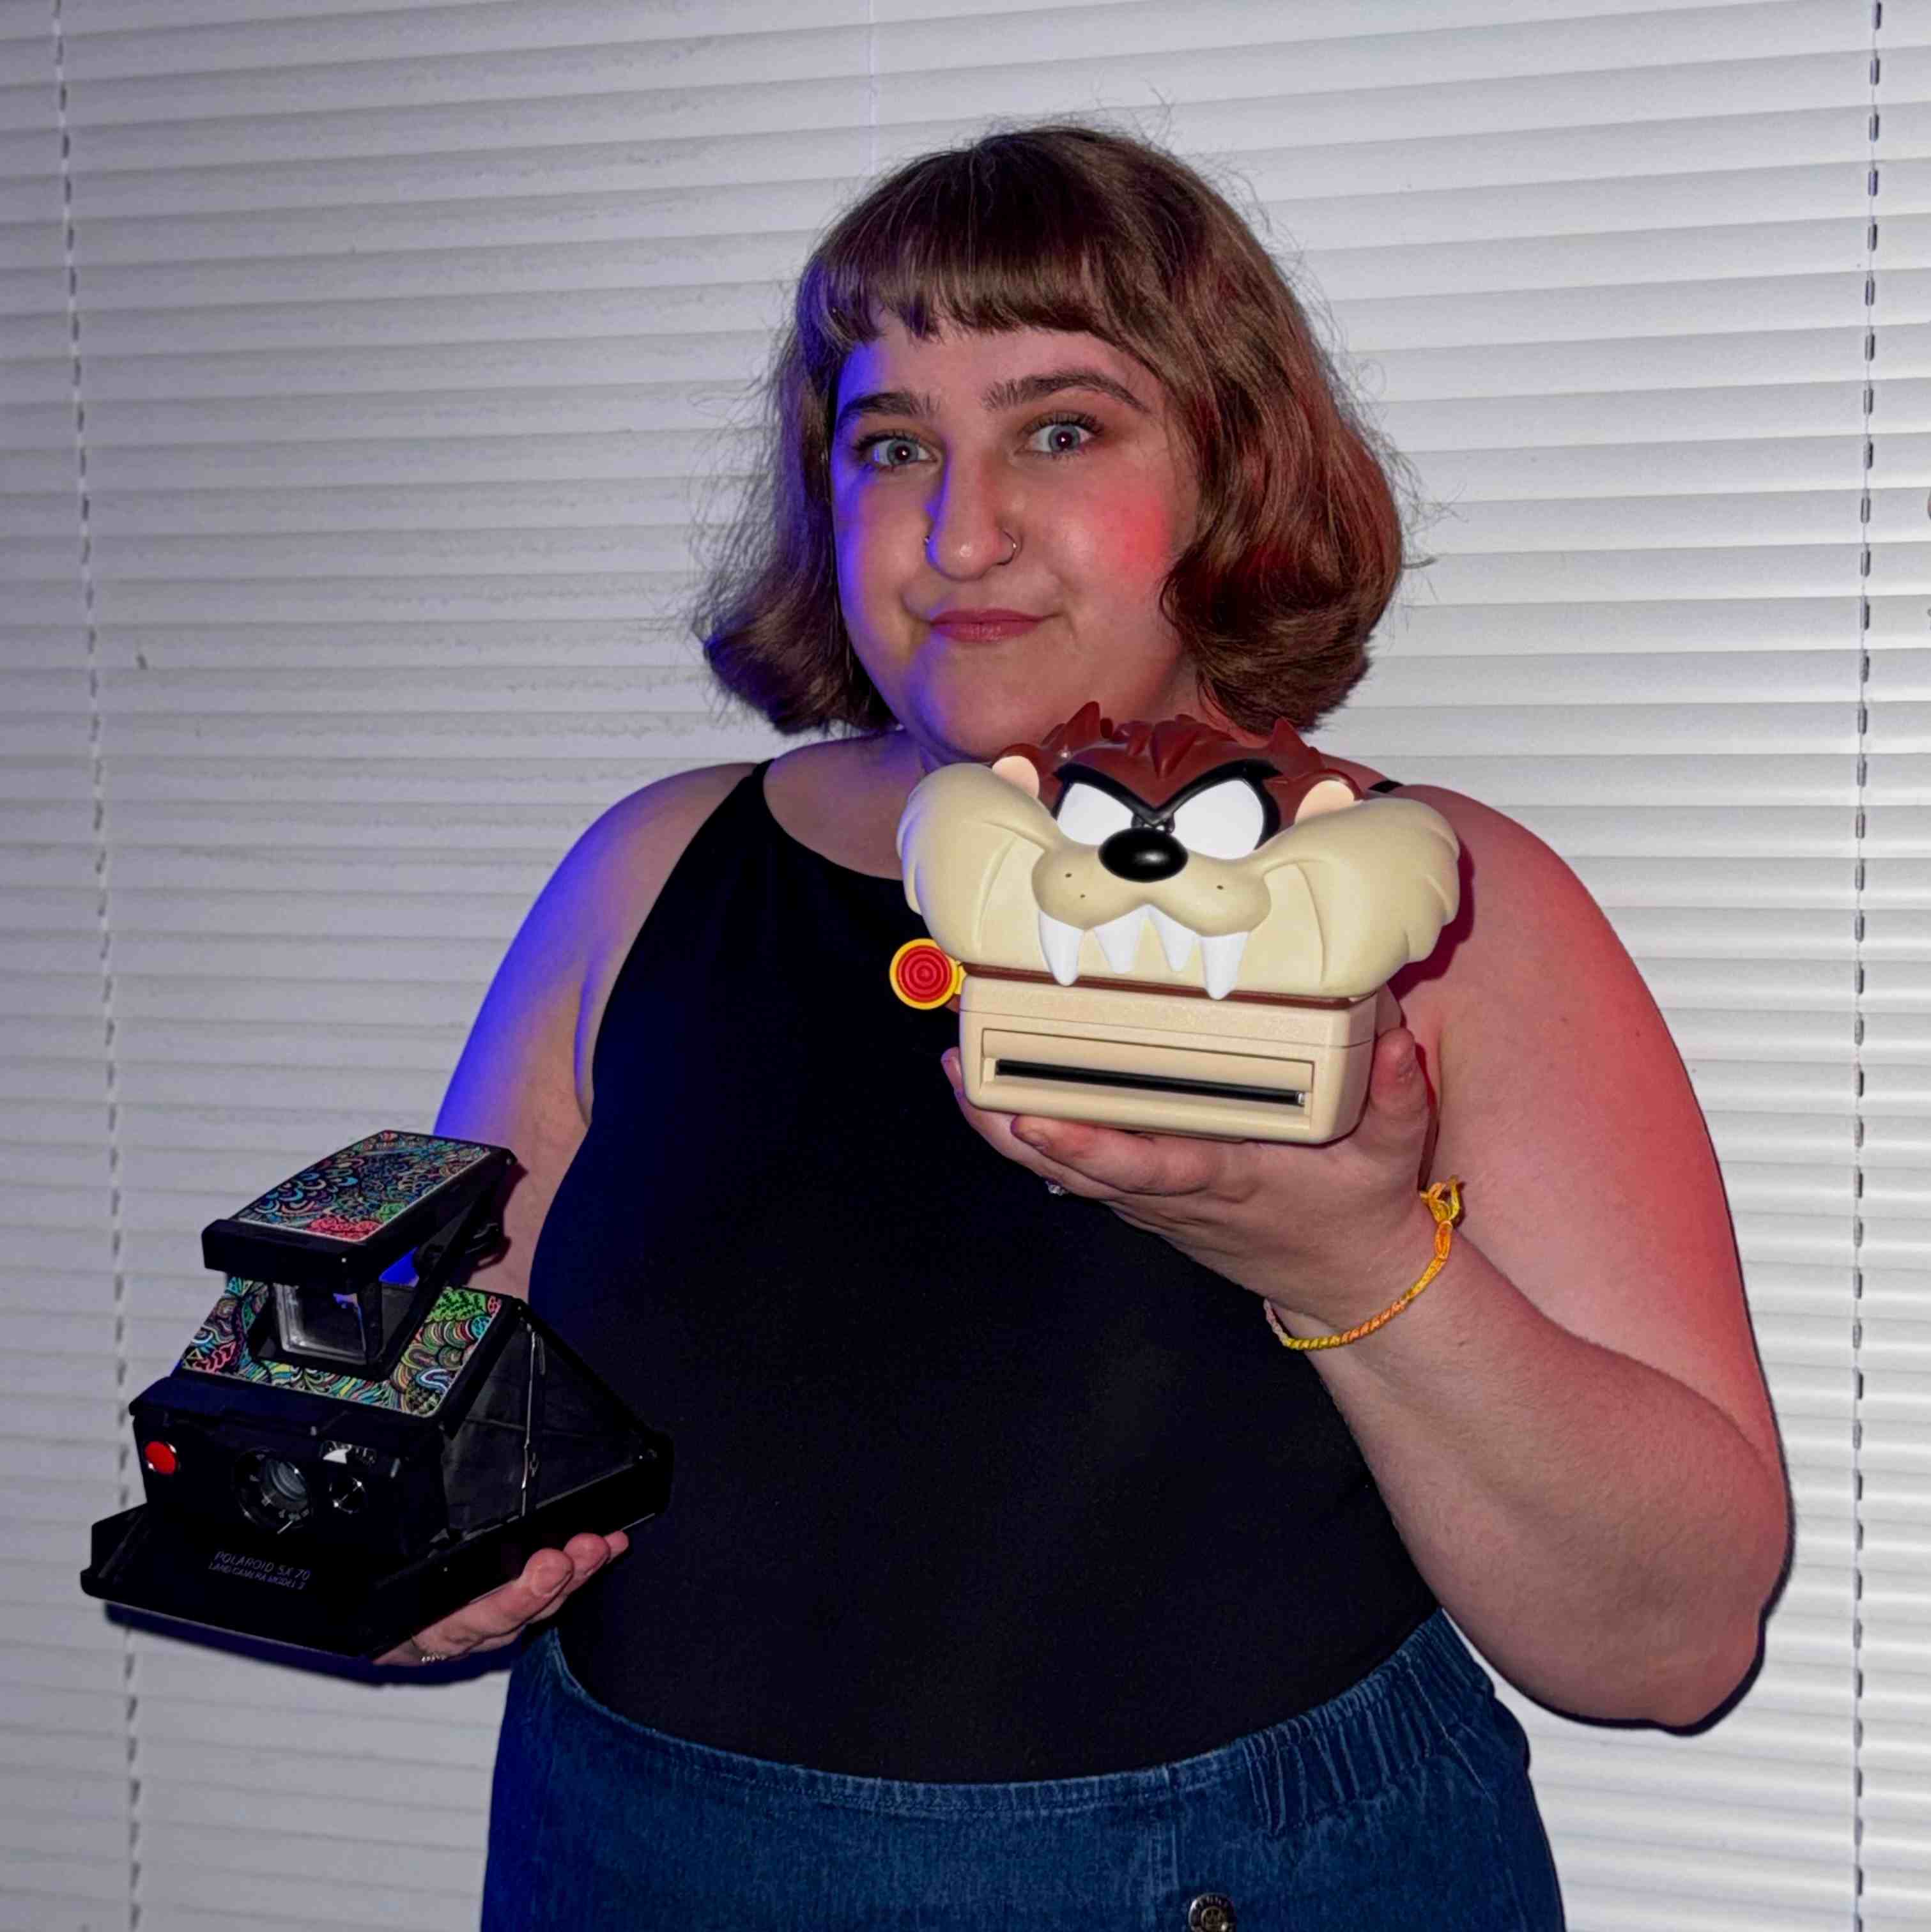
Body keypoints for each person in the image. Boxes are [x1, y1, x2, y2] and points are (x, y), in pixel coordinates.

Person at [390, 125, 1789, 1928]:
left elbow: (1669, 1645)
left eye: (1060, 427)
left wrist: (1352, 1254)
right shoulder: (647, 875)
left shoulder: (1442, 912)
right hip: (639, 1868)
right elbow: (437, 1404)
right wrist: (400, 1547)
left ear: (1228, 465)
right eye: (894, 445)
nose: (960, 531)